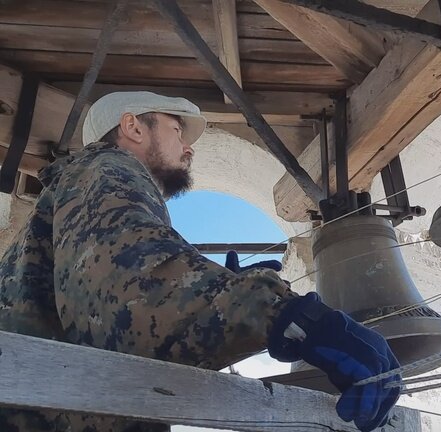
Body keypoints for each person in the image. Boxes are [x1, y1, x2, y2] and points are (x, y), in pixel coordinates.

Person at [0, 92, 401, 432]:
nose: (188, 147)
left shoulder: (70, 198)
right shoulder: (106, 167)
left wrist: (216, 293)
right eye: (176, 130)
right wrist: (291, 316)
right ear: (133, 127)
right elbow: (134, 289)